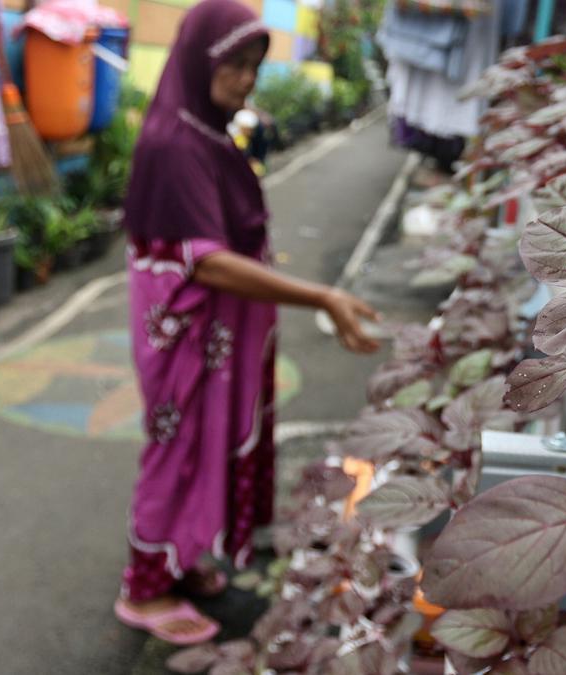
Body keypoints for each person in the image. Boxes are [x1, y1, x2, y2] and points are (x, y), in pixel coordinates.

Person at [112, 0, 380, 644]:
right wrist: (323, 297)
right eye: (233, 65)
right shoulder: (174, 143)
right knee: (176, 453)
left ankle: (178, 562)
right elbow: (203, 263)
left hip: (216, 337)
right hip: (188, 335)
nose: (246, 80)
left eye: (254, 66)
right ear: (198, 61)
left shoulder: (201, 130)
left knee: (203, 447)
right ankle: (144, 590)